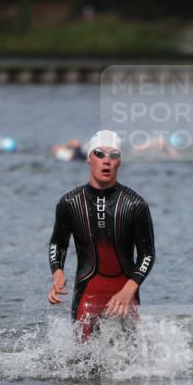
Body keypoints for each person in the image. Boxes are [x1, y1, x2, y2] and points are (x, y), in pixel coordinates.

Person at [47, 130, 156, 339]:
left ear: (119, 163)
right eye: (99, 154)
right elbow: (57, 244)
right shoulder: (69, 203)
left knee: (130, 364)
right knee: (81, 361)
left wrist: (129, 290)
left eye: (114, 155)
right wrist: (57, 273)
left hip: (124, 294)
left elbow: (147, 254)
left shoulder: (135, 205)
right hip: (87, 293)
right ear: (89, 159)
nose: (106, 161)